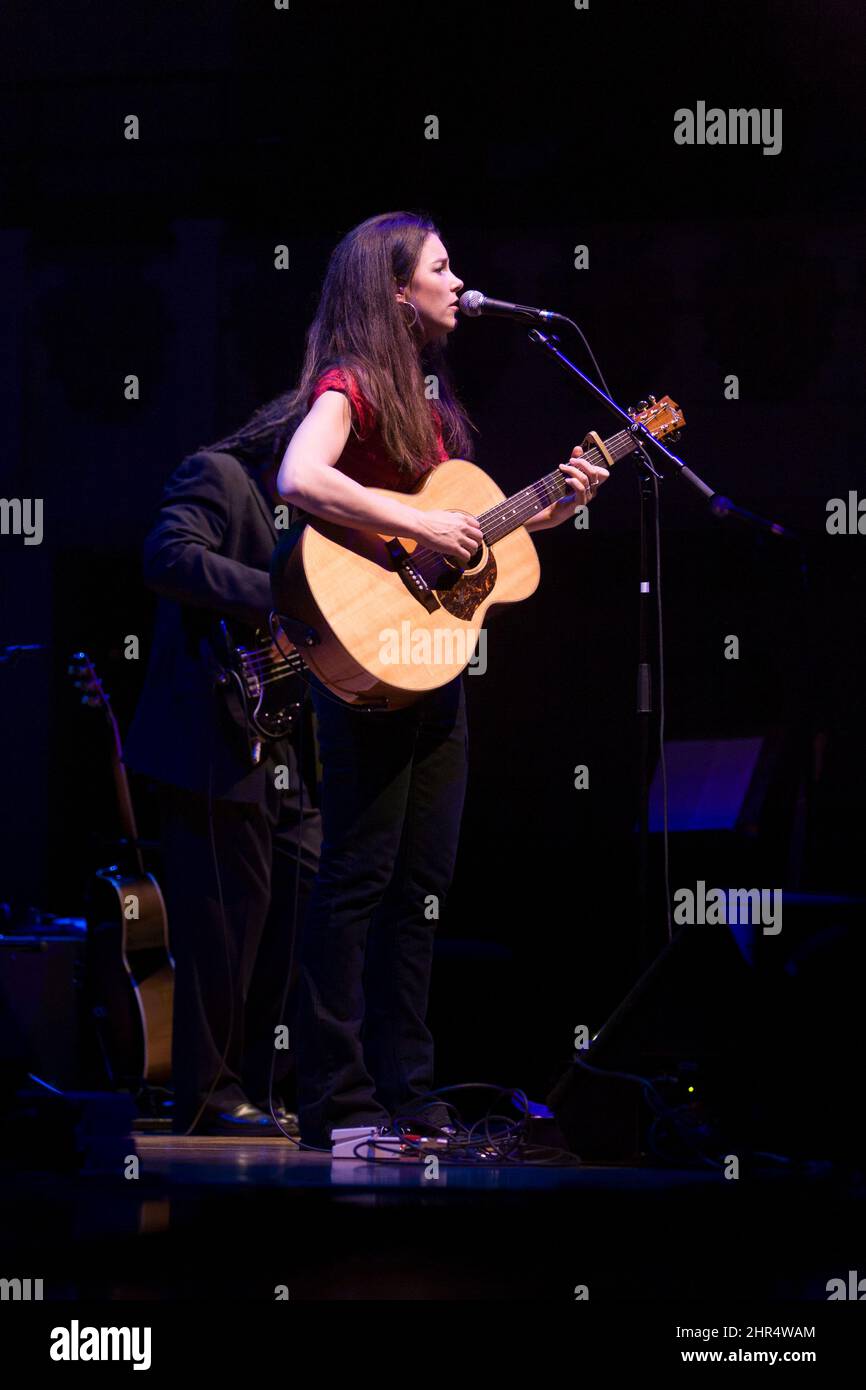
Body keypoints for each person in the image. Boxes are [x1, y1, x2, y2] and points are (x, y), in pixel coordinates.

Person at [274, 211, 610, 1149]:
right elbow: (298, 476)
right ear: (393, 290)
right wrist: (416, 529)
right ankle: (333, 1101)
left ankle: (407, 1094)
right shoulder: (352, 382)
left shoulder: (431, 401)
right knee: (356, 877)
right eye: (442, 267)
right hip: (365, 653)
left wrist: (552, 507)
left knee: (421, 886)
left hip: (433, 665)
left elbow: (465, 526)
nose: (460, 283)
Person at [123, 430, 323, 1136]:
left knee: (307, 910)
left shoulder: (321, 518)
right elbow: (168, 556)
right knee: (223, 927)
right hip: (210, 736)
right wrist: (281, 598)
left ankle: (268, 1088)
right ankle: (208, 1094)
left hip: (288, 746)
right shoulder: (218, 473)